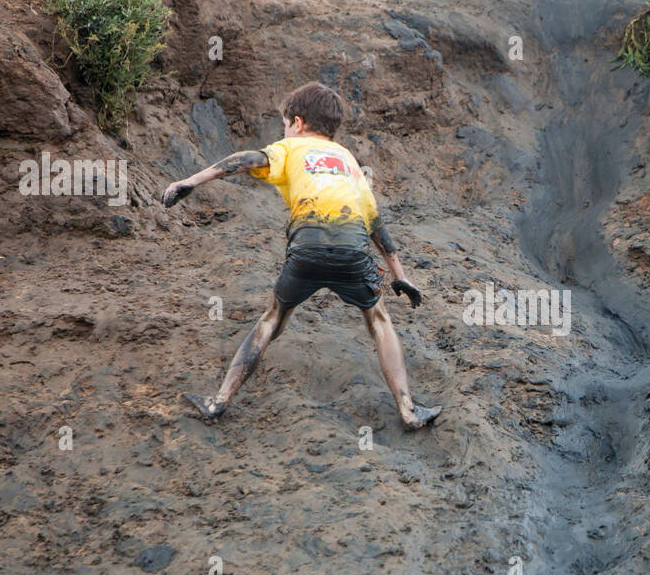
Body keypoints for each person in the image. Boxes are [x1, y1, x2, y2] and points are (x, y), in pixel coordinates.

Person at [160, 82, 442, 429]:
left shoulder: (290, 148)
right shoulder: (348, 161)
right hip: (352, 247)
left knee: (272, 318)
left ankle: (218, 402)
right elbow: (375, 225)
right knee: (379, 319)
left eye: (284, 124)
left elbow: (246, 160)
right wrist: (400, 275)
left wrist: (189, 181)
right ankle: (408, 411)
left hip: (306, 246)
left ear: (296, 122)